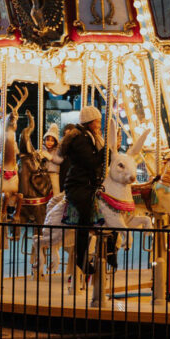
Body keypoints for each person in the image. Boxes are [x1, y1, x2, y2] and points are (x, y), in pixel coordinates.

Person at [61, 106, 106, 274]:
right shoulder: (80, 139)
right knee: (84, 221)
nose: (99, 124)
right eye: (97, 121)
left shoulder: (90, 137)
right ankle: (81, 259)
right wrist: (106, 151)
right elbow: (92, 162)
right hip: (78, 186)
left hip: (88, 184)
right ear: (89, 122)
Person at [40, 123, 62, 195]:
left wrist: (50, 157)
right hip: (44, 174)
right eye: (48, 140)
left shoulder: (57, 150)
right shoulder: (42, 149)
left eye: (52, 141)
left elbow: (60, 160)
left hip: (53, 173)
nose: (49, 142)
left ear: (55, 142)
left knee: (56, 192)